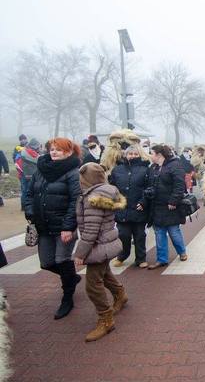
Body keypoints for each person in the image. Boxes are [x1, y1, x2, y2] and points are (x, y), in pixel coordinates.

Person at [24, 137, 82, 319]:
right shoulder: (40, 170)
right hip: (43, 224)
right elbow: (29, 194)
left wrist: (68, 227)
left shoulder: (74, 172)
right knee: (47, 262)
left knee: (62, 259)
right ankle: (71, 278)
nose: (54, 152)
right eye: (52, 149)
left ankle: (67, 298)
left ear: (69, 152)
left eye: (59, 149)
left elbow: (76, 201)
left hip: (64, 226)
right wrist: (31, 212)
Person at [73, 162, 128, 342]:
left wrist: (80, 254)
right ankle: (121, 294)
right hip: (106, 242)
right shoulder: (105, 191)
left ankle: (106, 320)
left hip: (99, 246)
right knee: (104, 275)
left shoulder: (93, 198)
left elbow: (90, 231)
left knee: (92, 286)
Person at [147, 144, 188, 269]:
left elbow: (179, 186)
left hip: (171, 206)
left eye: (151, 153)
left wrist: (173, 201)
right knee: (159, 233)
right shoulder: (153, 167)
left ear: (159, 155)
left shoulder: (175, 165)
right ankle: (162, 259)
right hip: (157, 206)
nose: (150, 156)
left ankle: (182, 252)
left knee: (173, 231)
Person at [109, 145, 150, 268]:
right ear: (125, 155)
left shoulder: (145, 169)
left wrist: (144, 202)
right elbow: (112, 188)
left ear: (139, 155)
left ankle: (141, 259)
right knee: (123, 234)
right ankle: (122, 255)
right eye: (130, 154)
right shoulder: (117, 170)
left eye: (135, 154)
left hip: (139, 208)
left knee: (140, 235)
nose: (132, 156)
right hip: (122, 209)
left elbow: (149, 188)